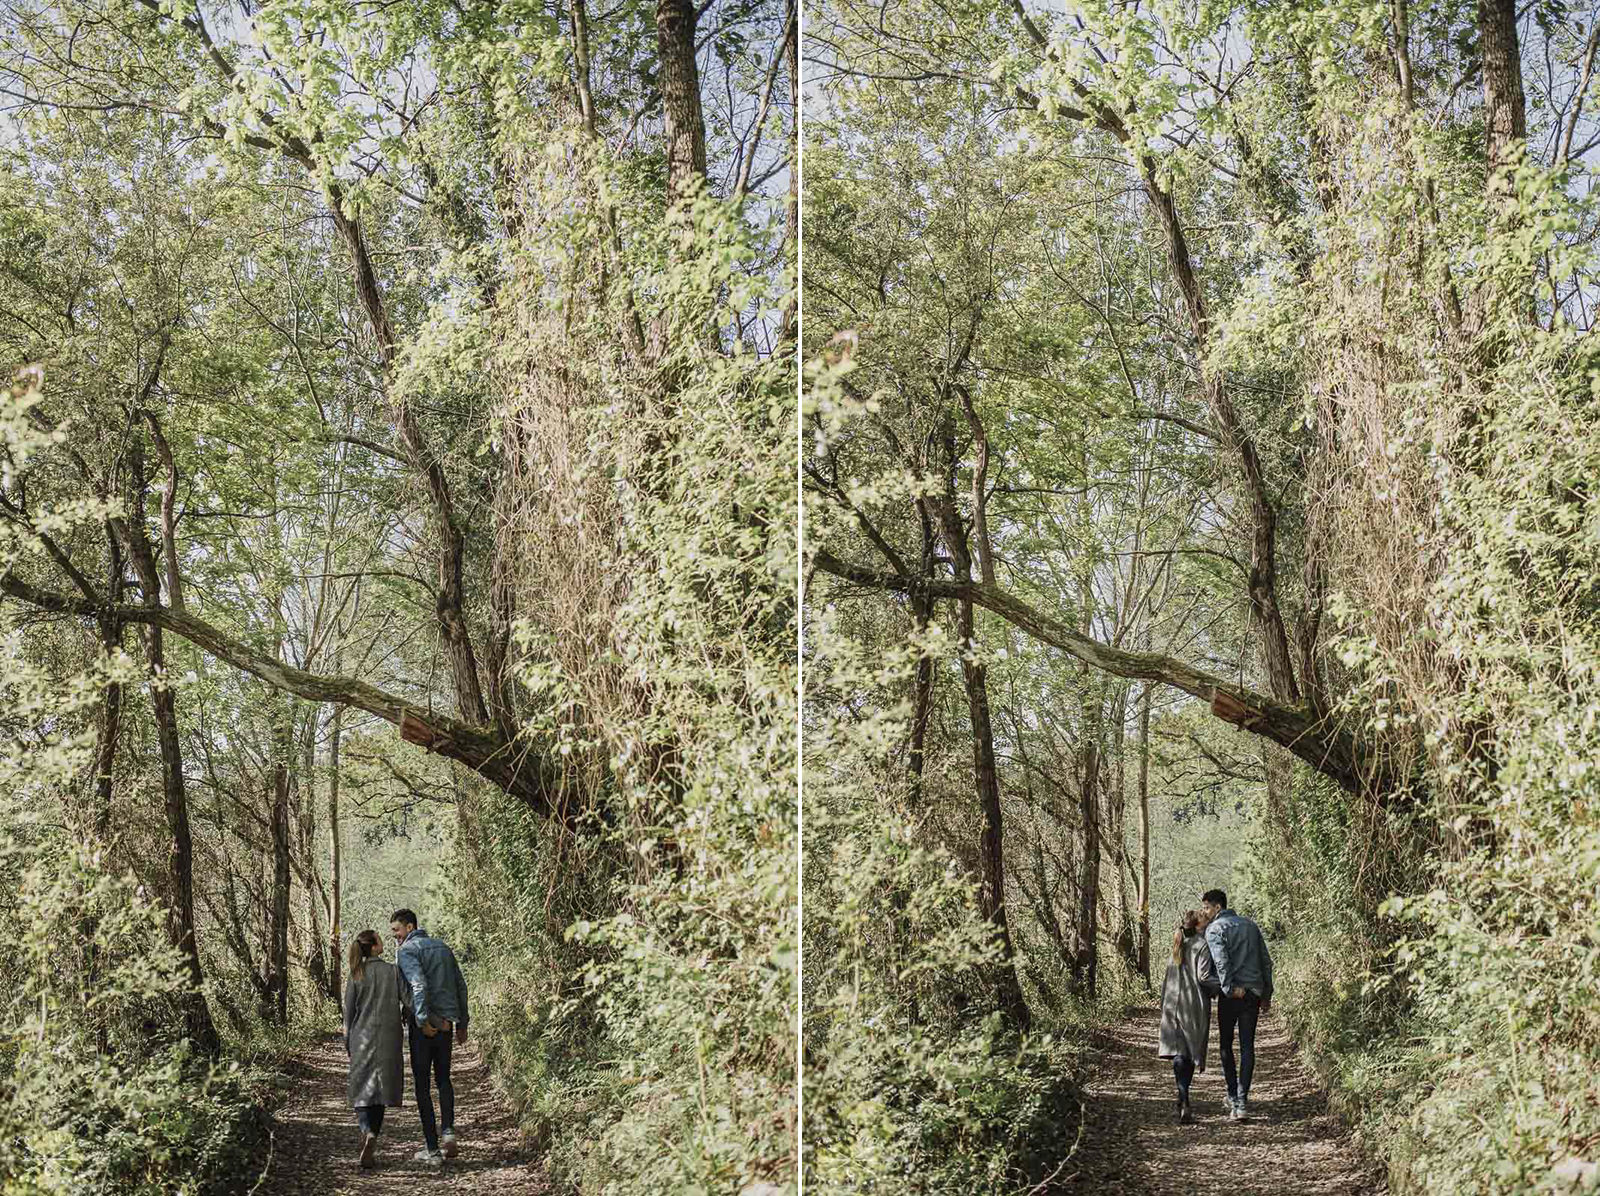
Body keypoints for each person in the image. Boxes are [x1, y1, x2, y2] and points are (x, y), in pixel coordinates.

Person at [390, 908, 471, 1166]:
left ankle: (433, 1149)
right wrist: (462, 1023)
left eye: (397, 930)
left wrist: (422, 1020)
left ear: (410, 927)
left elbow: (419, 985)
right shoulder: (443, 947)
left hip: (423, 1027)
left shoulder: (407, 951)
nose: (395, 936)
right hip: (446, 1025)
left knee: (422, 1085)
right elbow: (460, 985)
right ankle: (448, 1130)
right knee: (444, 1079)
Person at [1200, 888, 1274, 1121]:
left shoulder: (1215, 929)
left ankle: (1233, 1095)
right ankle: (1242, 1100)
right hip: (1252, 993)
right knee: (1247, 1046)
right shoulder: (1251, 925)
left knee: (1225, 1044)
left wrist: (1229, 988)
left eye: (1207, 908)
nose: (1206, 912)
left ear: (1217, 907)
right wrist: (1267, 994)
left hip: (1231, 995)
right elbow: (1265, 961)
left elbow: (1221, 962)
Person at [343, 928, 405, 1170]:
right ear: (375, 946)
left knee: (361, 1090)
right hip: (389, 1038)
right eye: (380, 938)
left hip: (362, 1037)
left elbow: (348, 1013)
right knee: (380, 1091)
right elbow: (409, 1000)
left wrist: (347, 1041)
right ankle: (373, 1136)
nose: (383, 940)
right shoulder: (392, 971)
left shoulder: (356, 974)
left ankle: (367, 1131)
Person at [1157, 909, 1221, 1123]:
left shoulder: (1177, 945)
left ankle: (1182, 1097)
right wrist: (1222, 988)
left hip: (1172, 1004)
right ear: (1197, 926)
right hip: (1192, 1005)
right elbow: (1204, 977)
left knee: (1178, 1052)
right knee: (1190, 1051)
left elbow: (1167, 978)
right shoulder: (1202, 946)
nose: (1208, 923)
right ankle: (1184, 1100)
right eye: (1204, 921)